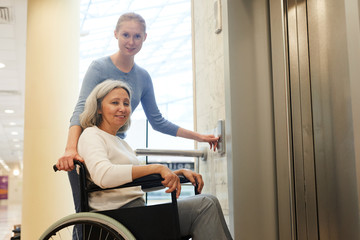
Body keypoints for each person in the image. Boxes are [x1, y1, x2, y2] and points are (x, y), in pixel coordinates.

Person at [57, 12, 218, 172]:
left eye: (137, 36)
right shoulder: (98, 67)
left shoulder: (143, 77)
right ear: (115, 34)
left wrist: (200, 137)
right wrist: (70, 149)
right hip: (93, 147)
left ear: (145, 37)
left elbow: (158, 121)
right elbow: (81, 108)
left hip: (117, 147)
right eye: (126, 35)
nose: (131, 42)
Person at [77, 79, 232, 239]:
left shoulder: (120, 142)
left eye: (126, 103)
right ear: (99, 108)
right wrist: (157, 168)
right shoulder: (91, 135)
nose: (122, 108)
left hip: (135, 212)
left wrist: (175, 174)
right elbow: (104, 176)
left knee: (208, 201)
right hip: (118, 217)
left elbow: (137, 184)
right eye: (115, 103)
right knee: (205, 205)